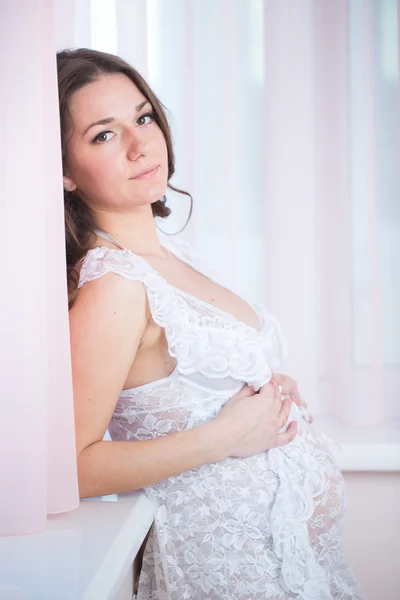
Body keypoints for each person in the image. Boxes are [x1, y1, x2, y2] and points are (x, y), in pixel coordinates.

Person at [59, 48, 365, 600]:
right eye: (104, 135)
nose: (139, 144)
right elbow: (70, 468)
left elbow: (181, 384)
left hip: (294, 567)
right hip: (225, 575)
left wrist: (264, 387)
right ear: (64, 172)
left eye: (143, 117)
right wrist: (223, 436)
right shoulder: (115, 286)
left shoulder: (175, 256)